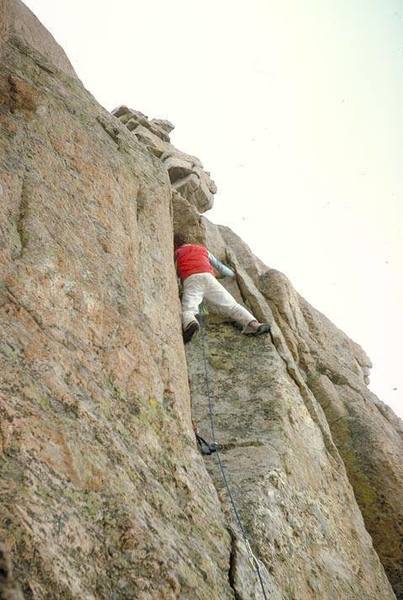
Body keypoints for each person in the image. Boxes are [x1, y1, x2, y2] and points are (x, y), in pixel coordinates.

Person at [174, 234, 271, 343]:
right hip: (209, 278)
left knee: (189, 308)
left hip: (191, 279)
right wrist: (232, 274)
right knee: (232, 305)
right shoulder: (202, 250)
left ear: (176, 244)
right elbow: (219, 266)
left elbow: (175, 270)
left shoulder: (177, 253)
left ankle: (191, 323)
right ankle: (255, 325)